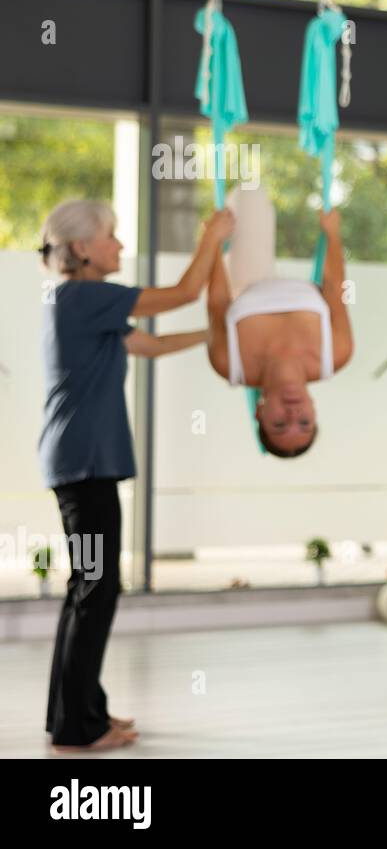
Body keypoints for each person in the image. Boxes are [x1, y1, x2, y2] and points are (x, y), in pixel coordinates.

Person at [38, 198, 233, 751]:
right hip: (84, 470)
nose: (121, 245)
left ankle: (81, 713)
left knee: (89, 587)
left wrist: (217, 336)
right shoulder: (83, 297)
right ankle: (77, 730)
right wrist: (212, 237)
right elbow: (183, 294)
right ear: (82, 248)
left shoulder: (85, 306)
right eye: (112, 236)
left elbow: (153, 345)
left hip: (86, 469)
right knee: (96, 587)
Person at [205, 182, 353, 457]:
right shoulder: (337, 354)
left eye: (280, 423)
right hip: (309, 292)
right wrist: (333, 233)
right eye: (305, 422)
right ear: (314, 409)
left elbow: (216, 302)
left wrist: (211, 241)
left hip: (247, 285)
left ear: (259, 412)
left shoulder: (228, 364)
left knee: (249, 191)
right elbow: (335, 290)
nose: (293, 412)